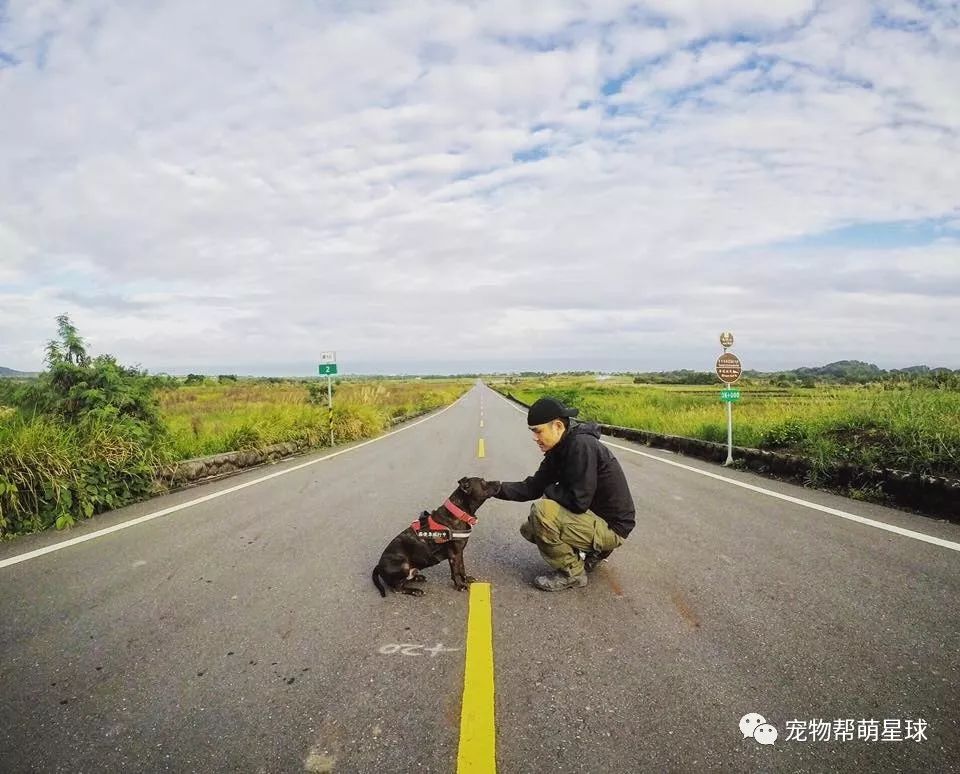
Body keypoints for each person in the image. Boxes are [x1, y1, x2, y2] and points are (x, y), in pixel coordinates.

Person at [492, 396, 636, 591]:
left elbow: (578, 502)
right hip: (595, 519)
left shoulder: (581, 446)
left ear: (558, 426)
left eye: (538, 431)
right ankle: (593, 551)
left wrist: (549, 493)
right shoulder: (559, 450)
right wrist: (492, 488)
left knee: (542, 513)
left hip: (613, 528)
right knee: (530, 528)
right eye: (533, 432)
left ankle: (573, 573)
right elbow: (533, 486)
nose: (535, 437)